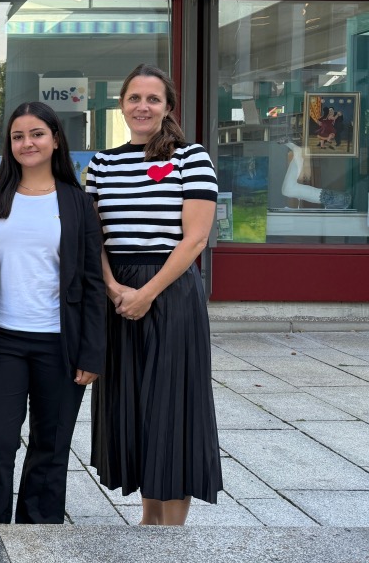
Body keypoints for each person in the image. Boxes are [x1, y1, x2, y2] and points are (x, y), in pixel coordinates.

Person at [87, 63, 222, 526]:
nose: (142, 106)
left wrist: (147, 292)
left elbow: (195, 239)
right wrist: (112, 287)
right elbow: (94, 237)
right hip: (118, 292)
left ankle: (172, 531)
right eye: (134, 98)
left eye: (153, 99)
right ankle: (149, 519)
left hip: (170, 291)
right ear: (121, 105)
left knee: (173, 405)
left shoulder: (192, 157)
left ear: (168, 107)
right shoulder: (102, 163)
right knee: (131, 404)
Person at [0, 101, 105, 524]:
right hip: (2, 341)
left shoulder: (77, 203)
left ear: (56, 139)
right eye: (18, 136)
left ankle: (38, 534)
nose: (28, 142)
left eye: (37, 133)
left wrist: (92, 352)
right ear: (9, 145)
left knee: (51, 444)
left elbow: (93, 283)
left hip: (60, 344)